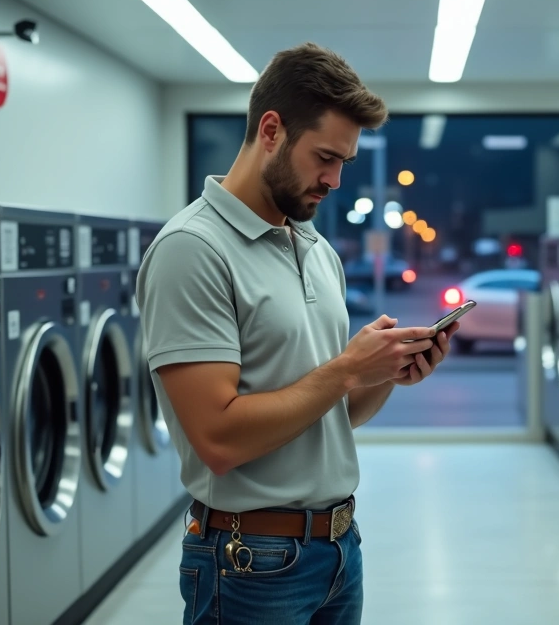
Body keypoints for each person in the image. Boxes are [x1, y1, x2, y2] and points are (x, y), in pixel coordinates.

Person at [136, 42, 457, 624]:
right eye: (324, 157)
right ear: (271, 129)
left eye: (345, 164)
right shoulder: (193, 250)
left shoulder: (314, 247)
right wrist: (347, 369)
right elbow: (219, 439)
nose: (334, 180)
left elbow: (333, 412)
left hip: (337, 549)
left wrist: (387, 375)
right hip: (250, 562)